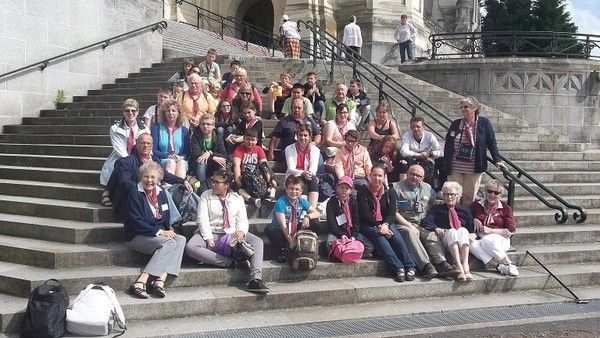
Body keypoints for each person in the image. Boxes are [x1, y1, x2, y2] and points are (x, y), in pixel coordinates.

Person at [185, 170, 269, 294]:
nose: (213, 184)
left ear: (227, 184)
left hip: (232, 232)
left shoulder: (237, 198)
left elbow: (242, 219)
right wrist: (208, 238)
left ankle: (255, 279)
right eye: (212, 181)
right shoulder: (205, 195)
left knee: (257, 241)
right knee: (191, 247)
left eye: (217, 182)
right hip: (211, 232)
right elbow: (202, 219)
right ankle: (230, 263)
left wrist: (241, 232)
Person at [124, 162, 186, 299]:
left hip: (156, 233)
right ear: (141, 177)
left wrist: (169, 229)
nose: (149, 180)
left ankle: (160, 280)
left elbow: (165, 215)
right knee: (169, 243)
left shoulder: (162, 192)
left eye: (153, 177)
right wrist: (161, 232)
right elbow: (136, 222)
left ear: (158, 179)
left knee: (180, 239)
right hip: (137, 235)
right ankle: (141, 281)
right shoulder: (135, 192)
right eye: (146, 176)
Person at [392, 164, 460, 279]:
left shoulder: (428, 189)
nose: (415, 177)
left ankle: (442, 264)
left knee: (432, 235)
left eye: (418, 176)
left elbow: (431, 205)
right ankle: (427, 266)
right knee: (410, 233)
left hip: (420, 224)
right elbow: (394, 212)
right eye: (412, 174)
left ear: (422, 178)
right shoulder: (395, 188)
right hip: (402, 224)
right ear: (407, 174)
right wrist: (409, 225)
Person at [106, 133, 192, 218]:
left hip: (153, 195)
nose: (146, 145)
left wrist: (183, 181)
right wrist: (147, 188)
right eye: (142, 143)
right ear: (136, 144)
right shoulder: (126, 162)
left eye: (148, 143)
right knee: (164, 192)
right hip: (134, 200)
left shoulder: (154, 160)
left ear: (151, 146)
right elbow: (125, 183)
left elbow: (165, 175)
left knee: (183, 189)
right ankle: (173, 221)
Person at [357, 164, 416, 282]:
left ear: (384, 177)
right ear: (369, 176)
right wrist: (380, 227)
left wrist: (385, 225)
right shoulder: (362, 191)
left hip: (386, 223)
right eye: (374, 175)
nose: (377, 178)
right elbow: (364, 214)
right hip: (369, 224)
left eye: (380, 176)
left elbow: (392, 213)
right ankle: (398, 268)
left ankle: (410, 266)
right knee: (380, 239)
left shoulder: (390, 192)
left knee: (397, 237)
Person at [443, 96, 506, 206]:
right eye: (461, 107)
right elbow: (448, 144)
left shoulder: (484, 123)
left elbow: (491, 141)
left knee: (469, 196)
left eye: (466, 107)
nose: (463, 109)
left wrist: (497, 159)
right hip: (455, 166)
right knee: (453, 194)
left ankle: (465, 219)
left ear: (474, 108)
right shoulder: (456, 123)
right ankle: (453, 219)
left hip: (473, 167)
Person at [421, 181, 475, 282]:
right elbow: (426, 221)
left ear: (458, 195)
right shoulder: (437, 208)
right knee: (452, 232)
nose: (449, 197)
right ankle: (459, 266)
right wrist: (436, 228)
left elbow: (471, 228)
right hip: (446, 240)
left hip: (462, 240)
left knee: (463, 230)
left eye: (452, 194)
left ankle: (465, 265)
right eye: (446, 194)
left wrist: (473, 235)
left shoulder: (465, 210)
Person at [100, 99, 149, 206]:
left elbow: (148, 146)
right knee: (122, 163)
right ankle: (109, 193)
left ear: (138, 111)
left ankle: (108, 192)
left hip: (140, 157)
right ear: (123, 112)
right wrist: (132, 162)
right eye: (127, 110)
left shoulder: (144, 129)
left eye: (133, 110)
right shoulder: (115, 129)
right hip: (121, 156)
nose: (130, 113)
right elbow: (120, 150)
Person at [265, 175, 320, 263]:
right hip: (281, 230)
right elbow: (283, 225)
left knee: (315, 222)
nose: (294, 191)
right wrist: (291, 242)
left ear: (301, 191)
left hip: (294, 228)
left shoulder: (301, 201)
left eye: (297, 189)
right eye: (291, 188)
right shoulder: (281, 202)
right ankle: (282, 249)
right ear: (286, 190)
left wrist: (307, 216)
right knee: (269, 229)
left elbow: (317, 213)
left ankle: (309, 246)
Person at [470, 180, 519, 276]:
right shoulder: (477, 205)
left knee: (487, 239)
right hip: (480, 236)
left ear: (500, 195)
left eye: (496, 192)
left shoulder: (505, 208)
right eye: (489, 191)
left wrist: (491, 230)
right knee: (468, 242)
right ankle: (498, 266)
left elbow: (511, 230)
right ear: (485, 191)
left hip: (499, 238)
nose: (492, 194)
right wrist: (474, 218)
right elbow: (466, 217)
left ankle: (509, 263)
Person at [326, 176, 373, 257]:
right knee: (329, 244)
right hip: (337, 232)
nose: (344, 190)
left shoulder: (353, 202)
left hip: (351, 231)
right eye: (341, 187)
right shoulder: (332, 202)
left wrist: (353, 236)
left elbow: (356, 221)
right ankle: (351, 252)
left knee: (370, 247)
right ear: (337, 188)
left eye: (347, 188)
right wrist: (341, 235)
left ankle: (345, 253)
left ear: (351, 190)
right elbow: (331, 222)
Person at [268, 97, 322, 163]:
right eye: (294, 107)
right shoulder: (283, 121)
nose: (296, 110)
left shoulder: (309, 120)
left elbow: (318, 134)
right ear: (291, 108)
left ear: (303, 109)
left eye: (299, 108)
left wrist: (315, 142)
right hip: (288, 153)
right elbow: (274, 138)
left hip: (306, 152)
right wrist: (271, 152)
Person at [232, 128, 276, 207]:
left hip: (258, 176)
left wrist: (270, 179)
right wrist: (237, 179)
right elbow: (236, 165)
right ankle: (253, 200)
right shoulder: (239, 149)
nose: (250, 142)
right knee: (238, 189)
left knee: (273, 184)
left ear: (256, 140)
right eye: (248, 139)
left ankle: (270, 198)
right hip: (245, 177)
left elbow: (264, 165)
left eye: (253, 140)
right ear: (244, 139)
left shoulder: (259, 149)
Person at [150, 100, 190, 179]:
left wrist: (181, 157)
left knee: (181, 163)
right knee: (171, 162)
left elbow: (187, 152)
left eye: (173, 110)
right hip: (163, 160)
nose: (171, 113)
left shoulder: (184, 130)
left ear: (178, 113)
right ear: (164, 114)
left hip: (180, 159)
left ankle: (179, 188)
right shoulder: (156, 128)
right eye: (168, 111)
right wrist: (168, 156)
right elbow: (153, 150)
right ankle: (169, 188)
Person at [400, 116, 444, 186]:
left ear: (423, 127)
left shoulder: (429, 135)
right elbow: (403, 152)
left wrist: (431, 153)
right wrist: (419, 155)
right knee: (403, 162)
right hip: (412, 160)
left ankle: (438, 186)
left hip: (426, 160)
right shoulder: (407, 135)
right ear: (410, 127)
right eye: (413, 127)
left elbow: (441, 152)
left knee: (442, 161)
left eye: (418, 126)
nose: (415, 129)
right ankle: (402, 187)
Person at [285, 124, 321, 208]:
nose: (302, 138)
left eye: (305, 135)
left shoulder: (315, 150)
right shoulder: (289, 148)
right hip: (293, 176)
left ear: (309, 137)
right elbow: (291, 168)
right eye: (300, 135)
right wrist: (303, 173)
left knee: (312, 178)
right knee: (301, 179)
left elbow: (313, 168)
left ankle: (311, 209)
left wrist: (308, 173)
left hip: (308, 176)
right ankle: (302, 208)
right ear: (296, 136)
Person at [190, 113, 227, 193]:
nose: (205, 126)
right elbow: (196, 154)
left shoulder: (217, 136)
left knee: (222, 162)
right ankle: (201, 190)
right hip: (198, 166)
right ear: (199, 125)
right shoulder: (196, 136)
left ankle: (221, 188)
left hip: (212, 165)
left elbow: (224, 154)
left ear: (213, 126)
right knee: (201, 161)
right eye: (203, 124)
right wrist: (213, 157)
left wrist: (210, 153)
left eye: (208, 124)